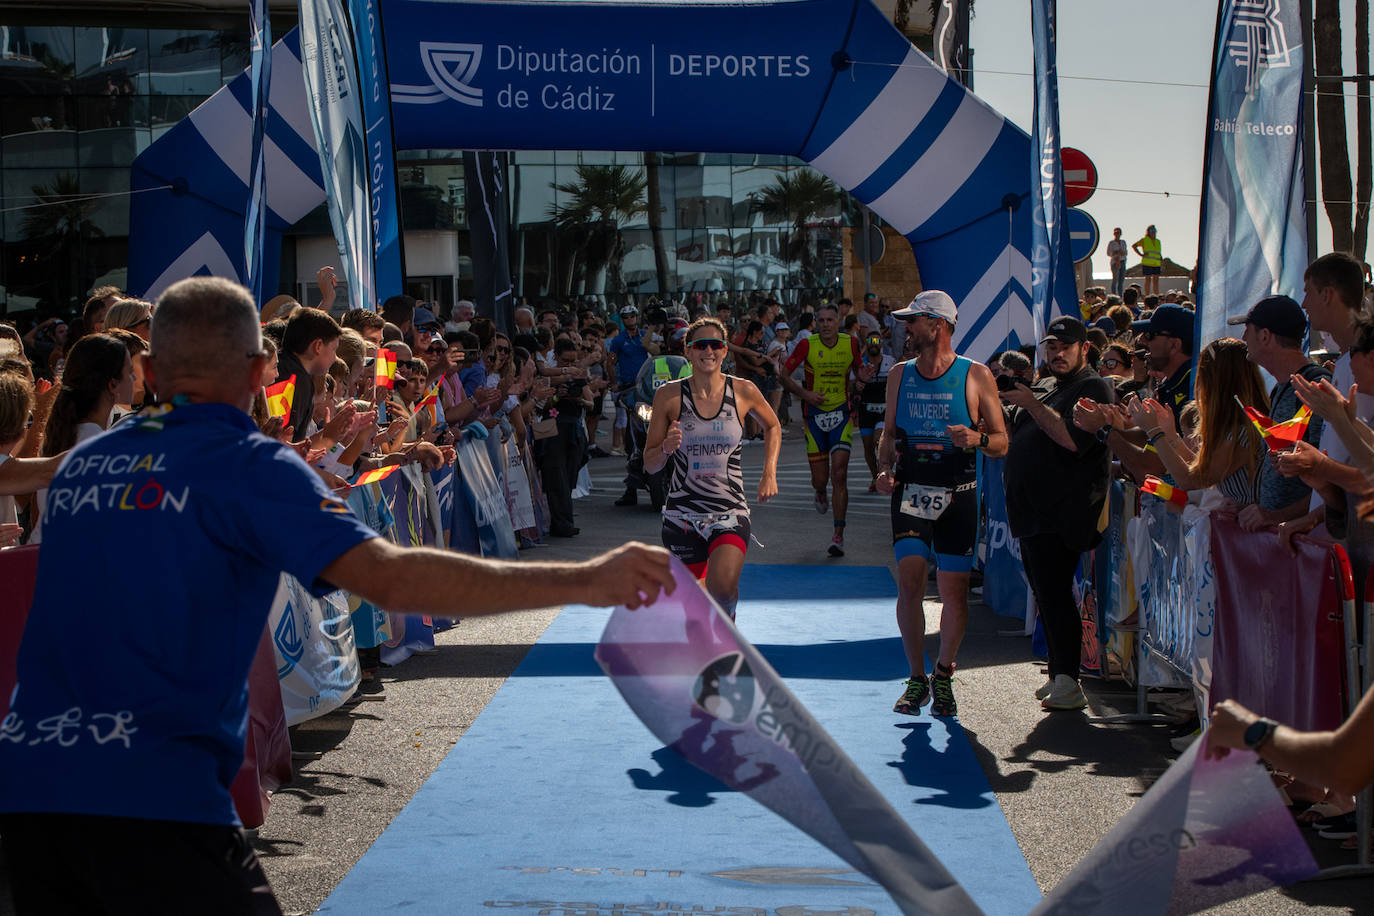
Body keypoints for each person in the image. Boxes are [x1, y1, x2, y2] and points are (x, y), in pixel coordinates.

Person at [0, 277, 675, 916]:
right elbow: (390, 578)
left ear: (148, 371)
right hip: (154, 793)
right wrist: (585, 579)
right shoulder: (249, 465)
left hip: (33, 788)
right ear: (264, 365)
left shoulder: (90, 462)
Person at [875, 292, 1006, 717]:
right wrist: (884, 467)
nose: (907, 328)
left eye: (914, 321)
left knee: (954, 593)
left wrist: (977, 439)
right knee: (910, 583)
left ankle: (944, 673)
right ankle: (916, 679)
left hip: (960, 494)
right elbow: (889, 432)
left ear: (940, 324)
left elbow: (1003, 441)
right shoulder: (899, 374)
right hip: (912, 490)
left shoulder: (976, 374)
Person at [1006, 316, 1115, 711]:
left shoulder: (1094, 386)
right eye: (1051, 347)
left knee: (1054, 594)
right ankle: (1060, 673)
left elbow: (1072, 439)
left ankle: (1069, 678)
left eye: (1065, 347)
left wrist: (1032, 404)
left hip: (1063, 511)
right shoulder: (1051, 385)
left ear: (1085, 349)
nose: (1057, 353)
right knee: (1046, 594)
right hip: (1033, 510)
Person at [642, 317, 780, 620]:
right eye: (700, 345)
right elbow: (649, 464)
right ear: (688, 351)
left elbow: (772, 425)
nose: (708, 351)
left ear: (725, 350)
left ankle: (726, 629)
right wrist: (666, 447)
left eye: (715, 345)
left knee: (722, 587)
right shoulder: (669, 395)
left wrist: (769, 472)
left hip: (729, 510)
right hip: (682, 514)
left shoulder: (743, 391)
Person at [1227, 295, 1331, 532]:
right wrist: (1252, 506)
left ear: (1265, 336)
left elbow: (1331, 481)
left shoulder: (1315, 388)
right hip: (1284, 544)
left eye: (1247, 330)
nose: (1243, 338)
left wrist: (1275, 516)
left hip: (1306, 548)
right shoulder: (1281, 389)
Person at [1124, 338, 1268, 506]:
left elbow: (1190, 481)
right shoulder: (1234, 427)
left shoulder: (1245, 430)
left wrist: (1154, 431)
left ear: (1215, 382)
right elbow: (1201, 470)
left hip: (1247, 530)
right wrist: (1171, 435)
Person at [782, 302, 862, 556]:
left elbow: (859, 372)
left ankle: (838, 535)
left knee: (839, 474)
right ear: (816, 323)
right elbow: (783, 375)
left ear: (838, 321)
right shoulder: (807, 345)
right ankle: (819, 491)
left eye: (831, 320)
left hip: (841, 415)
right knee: (822, 478)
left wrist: (864, 378)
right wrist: (806, 393)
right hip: (814, 418)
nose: (826, 324)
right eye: (822, 320)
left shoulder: (850, 343)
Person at [854, 331, 895, 491]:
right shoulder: (860, 363)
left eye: (877, 340)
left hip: (883, 410)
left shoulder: (890, 361)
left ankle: (882, 474)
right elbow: (852, 384)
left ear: (882, 343)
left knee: (879, 439)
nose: (874, 343)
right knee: (867, 447)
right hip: (866, 410)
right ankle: (874, 476)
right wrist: (857, 385)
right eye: (870, 340)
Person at [1132, 225, 1162, 297]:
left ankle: (1156, 296)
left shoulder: (1158, 241)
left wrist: (1161, 258)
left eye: (1154, 230)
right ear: (1148, 232)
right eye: (1151, 231)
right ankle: (1147, 296)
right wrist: (1141, 254)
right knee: (1148, 281)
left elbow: (1158, 252)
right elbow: (1134, 246)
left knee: (1156, 281)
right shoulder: (1144, 240)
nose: (1153, 232)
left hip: (1157, 263)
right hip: (1147, 263)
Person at [1106, 228, 1128, 297]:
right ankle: (1114, 294)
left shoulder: (1123, 242)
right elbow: (1108, 253)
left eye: (1118, 233)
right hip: (1114, 262)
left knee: (1121, 280)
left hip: (1122, 261)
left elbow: (1125, 252)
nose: (1117, 234)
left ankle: (1120, 295)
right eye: (1116, 233)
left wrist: (1121, 252)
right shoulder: (1111, 243)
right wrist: (1115, 253)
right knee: (1115, 278)